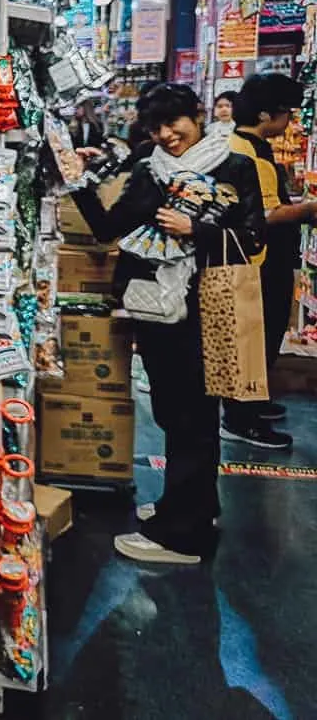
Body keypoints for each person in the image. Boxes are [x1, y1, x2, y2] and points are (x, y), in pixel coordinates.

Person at [72, 83, 264, 565]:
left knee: (192, 418)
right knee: (175, 414)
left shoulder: (233, 165)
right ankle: (194, 506)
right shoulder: (149, 172)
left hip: (208, 307)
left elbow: (254, 236)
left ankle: (182, 536)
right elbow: (108, 228)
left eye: (173, 122)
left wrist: (194, 229)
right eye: (156, 128)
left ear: (197, 114)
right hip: (157, 312)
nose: (166, 135)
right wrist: (78, 180)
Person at [221, 73, 310, 448]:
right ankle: (242, 419)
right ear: (264, 115)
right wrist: (309, 209)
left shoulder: (249, 144)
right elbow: (268, 214)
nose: (289, 121)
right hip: (257, 261)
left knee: (260, 337)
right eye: (286, 113)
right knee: (255, 338)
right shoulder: (249, 154)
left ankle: (253, 403)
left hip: (258, 258)